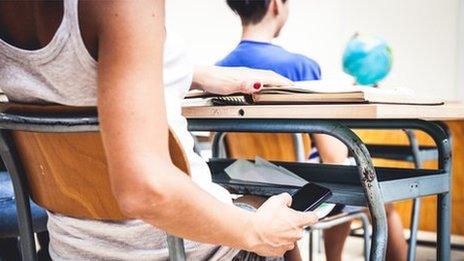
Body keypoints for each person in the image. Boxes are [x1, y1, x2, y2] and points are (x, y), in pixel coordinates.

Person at [0, 1, 319, 260]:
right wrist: (256, 231)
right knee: (274, 218)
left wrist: (194, 73)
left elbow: (70, 72)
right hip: (178, 250)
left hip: (71, 251)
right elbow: (145, 189)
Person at [217, 1, 408, 261]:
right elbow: (334, 156)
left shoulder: (219, 71)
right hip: (303, 191)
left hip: (247, 186)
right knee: (381, 201)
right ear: (275, 5)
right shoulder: (302, 67)